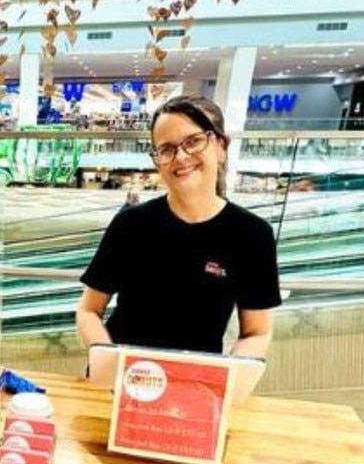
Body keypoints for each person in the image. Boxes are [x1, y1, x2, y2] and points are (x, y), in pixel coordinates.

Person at [76, 95, 282, 356]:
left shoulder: (252, 235)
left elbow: (257, 332)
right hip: (123, 377)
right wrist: (107, 359)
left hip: (196, 383)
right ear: (157, 161)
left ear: (220, 146)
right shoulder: (132, 224)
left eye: (193, 142)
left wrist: (228, 380)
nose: (181, 157)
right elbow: (88, 310)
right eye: (167, 149)